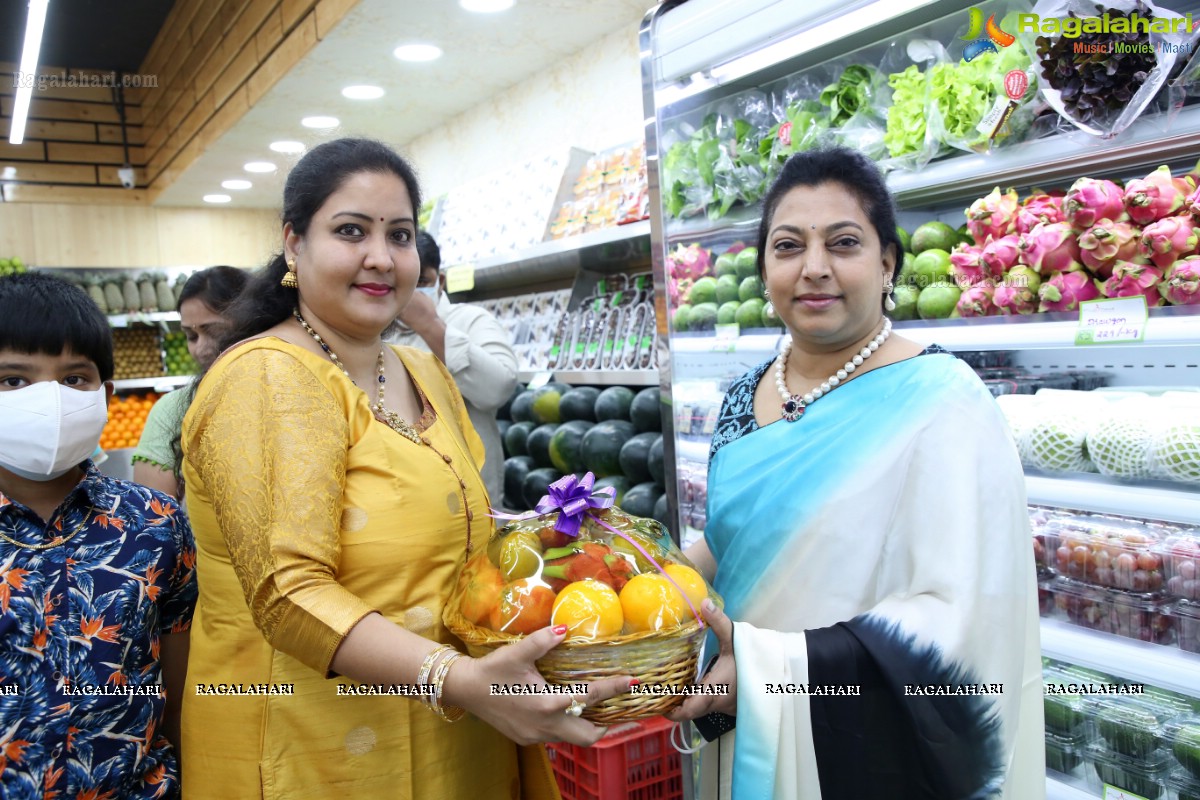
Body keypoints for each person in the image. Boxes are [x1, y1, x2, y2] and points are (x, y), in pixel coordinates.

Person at [178, 138, 631, 799]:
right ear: (294, 244)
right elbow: (288, 593)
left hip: (458, 729)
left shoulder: (418, 368)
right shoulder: (267, 377)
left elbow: (461, 536)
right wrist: (454, 678)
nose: (381, 258)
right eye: (350, 231)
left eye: (400, 235)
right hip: (318, 753)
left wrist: (567, 564)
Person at [668, 148, 1044, 799]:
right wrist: (639, 574)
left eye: (843, 243)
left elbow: (965, 613)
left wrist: (774, 668)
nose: (814, 269)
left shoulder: (943, 399)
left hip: (869, 743)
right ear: (764, 268)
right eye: (788, 247)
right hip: (749, 721)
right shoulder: (741, 395)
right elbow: (739, 537)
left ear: (887, 262)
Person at [0, 272, 195, 799]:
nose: (49, 400)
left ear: (105, 394)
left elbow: (177, 691)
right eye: (14, 380)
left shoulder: (154, 523)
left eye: (74, 379)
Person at [386, 232, 518, 506]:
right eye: (400, 281)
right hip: (401, 492)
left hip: (470, 491)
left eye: (420, 282)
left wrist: (431, 326)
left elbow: (498, 389)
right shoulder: (377, 333)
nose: (409, 291)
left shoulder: (471, 320)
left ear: (440, 280)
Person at [133, 266, 249, 498]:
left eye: (214, 332)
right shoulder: (173, 410)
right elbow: (155, 519)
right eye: (191, 336)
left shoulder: (290, 394)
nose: (200, 349)